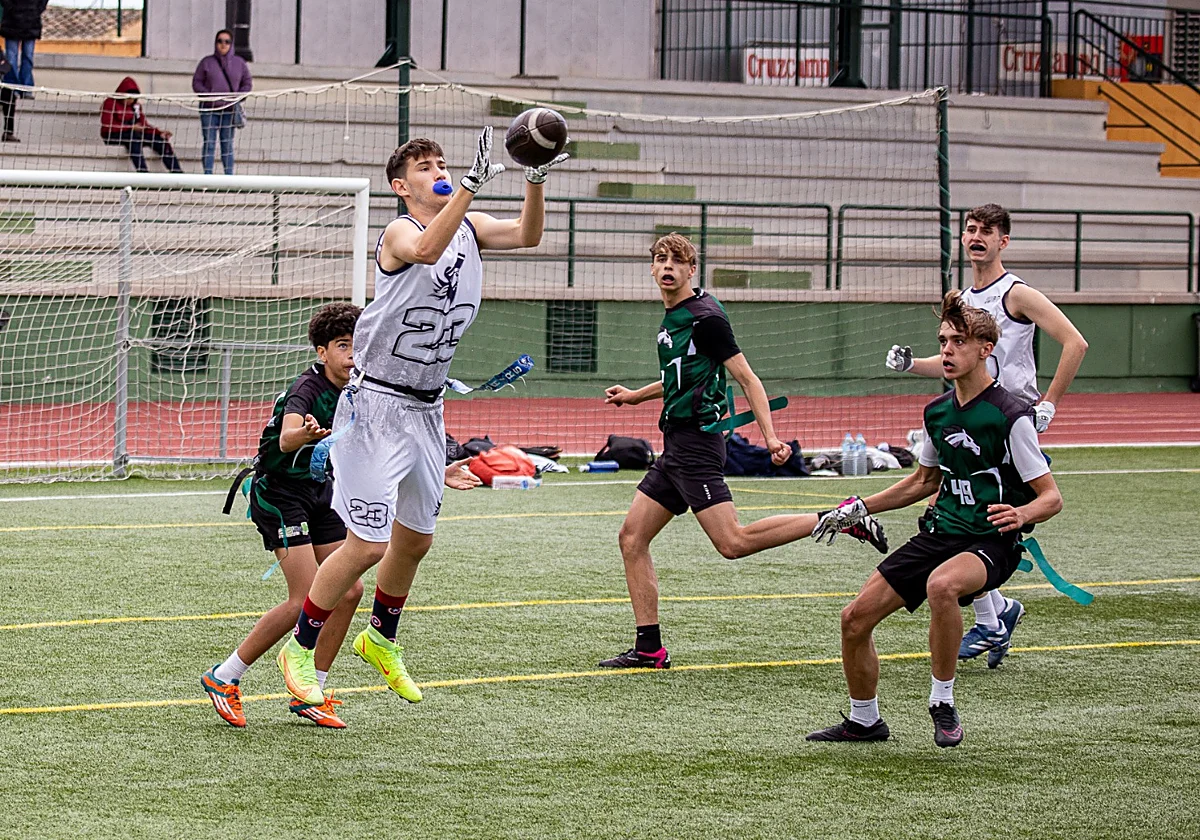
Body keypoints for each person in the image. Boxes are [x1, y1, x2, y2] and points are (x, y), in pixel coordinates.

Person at [275, 127, 568, 709]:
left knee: (416, 540)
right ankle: (301, 650)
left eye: (443, 161)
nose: (438, 167)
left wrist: (535, 175)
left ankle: (381, 639)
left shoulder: (470, 224)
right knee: (367, 544)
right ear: (400, 186)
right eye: (425, 164)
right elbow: (428, 250)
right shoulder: (399, 229)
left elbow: (529, 235)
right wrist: (469, 184)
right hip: (377, 404)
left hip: (426, 408)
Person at [597, 233, 888, 670]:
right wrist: (637, 396)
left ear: (692, 270)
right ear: (652, 269)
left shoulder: (705, 318)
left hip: (697, 444)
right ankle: (649, 649)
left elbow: (748, 379)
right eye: (660, 259)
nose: (668, 266)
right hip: (676, 444)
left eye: (677, 260)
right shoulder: (675, 318)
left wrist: (772, 438)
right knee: (632, 538)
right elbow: (685, 377)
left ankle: (842, 516)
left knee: (733, 543)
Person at [807, 291, 1064, 748]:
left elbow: (1051, 497)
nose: (946, 350)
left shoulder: (1010, 415)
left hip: (991, 540)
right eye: (943, 340)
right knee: (853, 619)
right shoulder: (937, 412)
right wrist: (857, 507)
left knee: (942, 585)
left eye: (957, 342)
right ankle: (865, 721)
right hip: (941, 532)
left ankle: (942, 700)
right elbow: (921, 482)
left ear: (986, 350)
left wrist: (1021, 513)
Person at [885, 203, 1087, 667]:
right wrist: (912, 364)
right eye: (970, 229)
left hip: (1007, 426)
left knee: (974, 519)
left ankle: (994, 619)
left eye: (987, 231)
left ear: (1003, 241)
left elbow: (1075, 343)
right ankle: (997, 613)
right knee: (948, 517)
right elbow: (958, 360)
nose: (976, 237)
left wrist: (1048, 404)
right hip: (968, 421)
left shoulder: (1017, 294)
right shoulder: (962, 298)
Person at [191, 29, 251, 175]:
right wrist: (209, 96)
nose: (223, 45)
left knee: (227, 144)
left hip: (229, 110)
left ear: (231, 44)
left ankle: (228, 177)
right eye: (220, 41)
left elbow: (247, 83)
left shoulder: (240, 63)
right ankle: (207, 177)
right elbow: (197, 83)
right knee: (209, 143)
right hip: (209, 110)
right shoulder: (206, 62)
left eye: (227, 42)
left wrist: (237, 97)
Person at [101, 77, 184, 173]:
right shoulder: (110, 103)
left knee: (159, 140)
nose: (130, 100)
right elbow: (108, 125)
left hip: (135, 133)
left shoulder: (136, 107)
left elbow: (144, 125)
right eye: (128, 97)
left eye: (133, 98)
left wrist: (159, 132)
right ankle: (143, 172)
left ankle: (177, 172)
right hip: (114, 134)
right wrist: (131, 127)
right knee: (134, 138)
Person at [0, 0, 47, 97]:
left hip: (31, 22)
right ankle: (12, 88)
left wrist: (36, 10)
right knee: (11, 58)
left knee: (27, 57)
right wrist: (11, 9)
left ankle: (26, 88)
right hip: (12, 22)